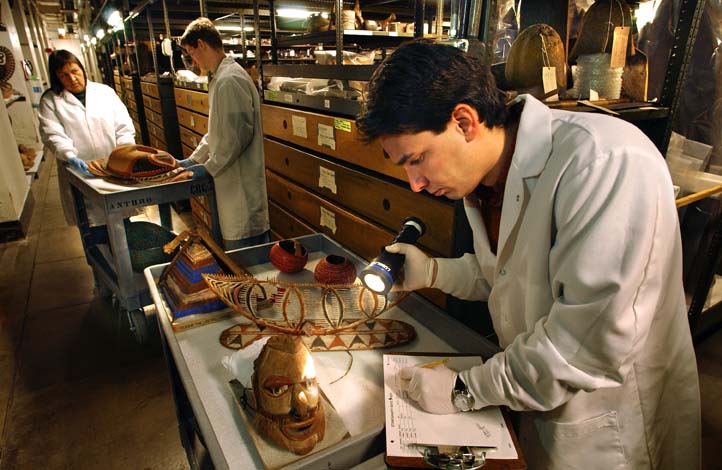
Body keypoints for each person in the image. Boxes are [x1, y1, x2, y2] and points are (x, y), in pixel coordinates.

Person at [356, 40, 701, 469]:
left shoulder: (603, 162)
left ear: (464, 122)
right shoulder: (489, 181)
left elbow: (584, 346)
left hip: (608, 424)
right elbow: (509, 279)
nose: (415, 184)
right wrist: (433, 272)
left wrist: (465, 389)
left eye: (417, 160)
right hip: (536, 401)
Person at [178, 18, 270, 250]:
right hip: (230, 185)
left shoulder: (230, 80)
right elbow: (217, 131)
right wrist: (194, 159)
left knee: (246, 263)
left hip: (242, 191)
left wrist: (207, 168)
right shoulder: (220, 78)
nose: (193, 60)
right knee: (235, 254)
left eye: (192, 53)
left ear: (202, 44)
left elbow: (234, 139)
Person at [38, 49, 135, 225]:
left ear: (82, 69)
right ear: (56, 78)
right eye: (64, 75)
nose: (72, 79)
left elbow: (123, 125)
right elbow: (52, 134)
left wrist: (125, 150)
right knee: (92, 225)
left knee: (122, 220)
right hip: (80, 172)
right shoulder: (51, 101)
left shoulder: (104, 92)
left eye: (74, 71)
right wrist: (70, 156)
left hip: (113, 167)